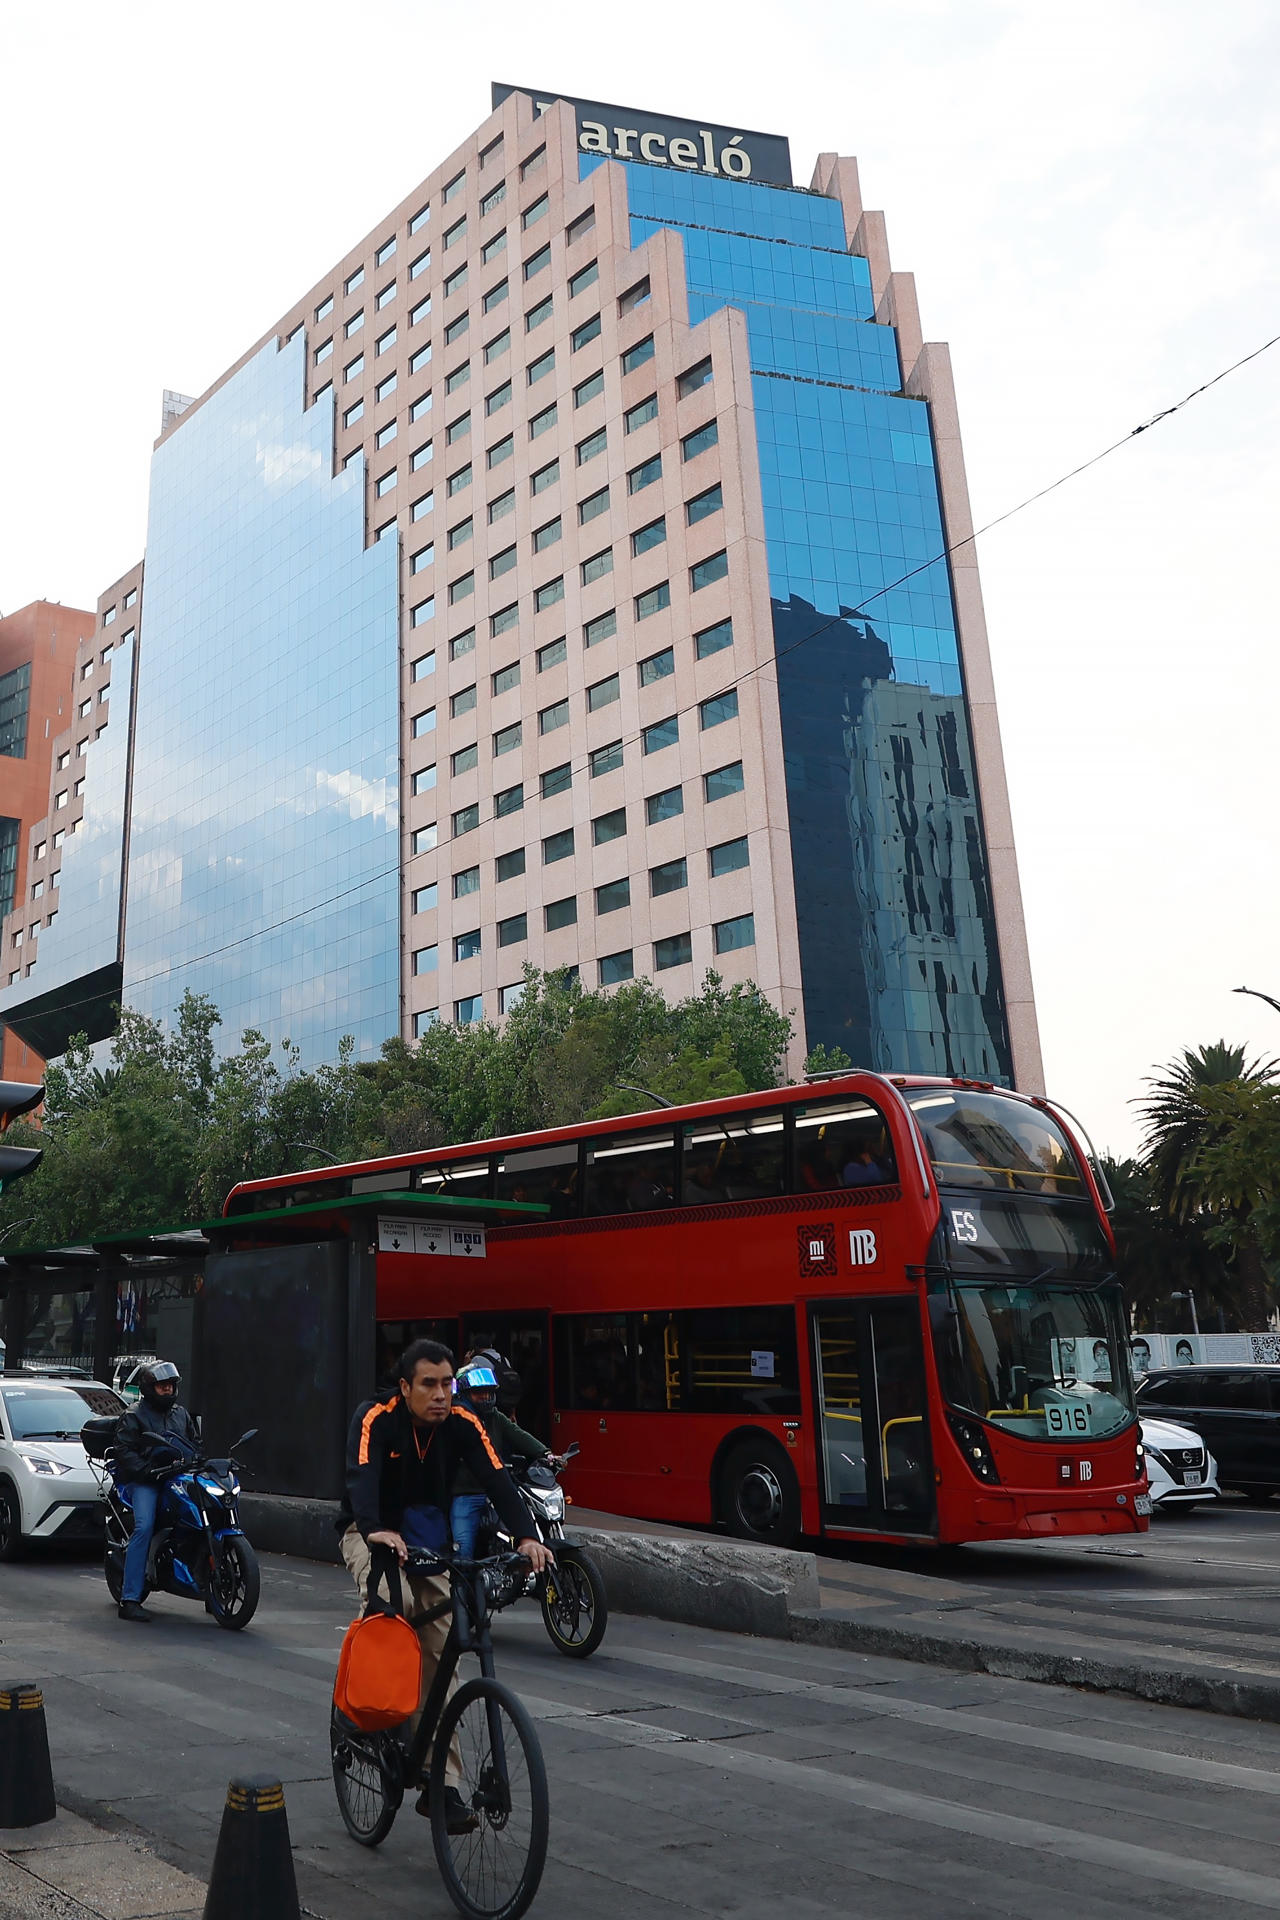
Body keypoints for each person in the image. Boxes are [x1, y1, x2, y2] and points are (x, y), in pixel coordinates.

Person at [340, 1338, 552, 1833]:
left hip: (430, 1543)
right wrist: (374, 1527)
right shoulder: (377, 1417)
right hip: (371, 1533)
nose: (441, 1394)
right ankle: (364, 1708)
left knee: (444, 1643)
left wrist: (526, 1536)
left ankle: (441, 1783)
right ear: (405, 1387)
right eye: (429, 1384)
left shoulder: (462, 1422)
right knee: (395, 1608)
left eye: (447, 1384)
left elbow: (497, 1476)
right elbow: (361, 1475)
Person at [112, 1361, 200, 1624]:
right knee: (144, 1526)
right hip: (146, 1481)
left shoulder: (181, 1414)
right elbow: (124, 1451)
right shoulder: (133, 1415)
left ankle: (210, 1588)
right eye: (163, 1387)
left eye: (171, 1386)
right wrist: (146, 1471)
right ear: (150, 1388)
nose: (168, 1391)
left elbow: (194, 1443)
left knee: (202, 1512)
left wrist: (197, 1461)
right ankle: (129, 1599)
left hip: (177, 1477)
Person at [449, 1361, 561, 1560]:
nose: (485, 1397)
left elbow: (518, 1435)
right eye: (479, 1393)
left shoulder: (495, 1417)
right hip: (466, 1493)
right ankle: (460, 1586)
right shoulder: (456, 1420)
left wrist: (546, 1454)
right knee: (463, 1547)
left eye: (488, 1392)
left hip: (495, 1491)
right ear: (464, 1394)